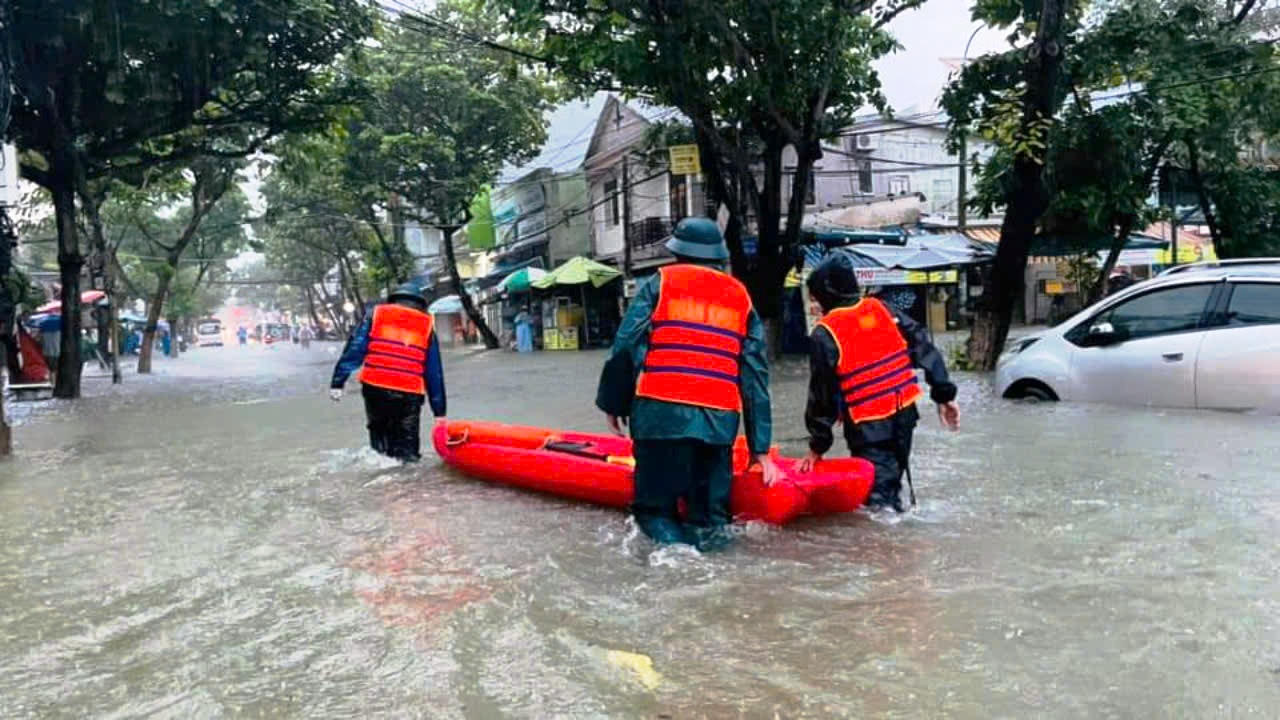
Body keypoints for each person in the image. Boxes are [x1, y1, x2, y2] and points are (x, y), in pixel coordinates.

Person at [596, 217, 778, 551]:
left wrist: (615, 402)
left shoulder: (660, 283)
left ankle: (676, 560)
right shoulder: (740, 296)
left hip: (661, 417)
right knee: (711, 520)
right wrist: (760, 449)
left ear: (677, 251)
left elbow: (625, 347)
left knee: (655, 512)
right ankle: (719, 571)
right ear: (718, 255)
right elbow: (755, 376)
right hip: (718, 426)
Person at [800, 253, 960, 511]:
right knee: (891, 482)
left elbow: (821, 395)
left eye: (816, 298)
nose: (816, 305)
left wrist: (817, 446)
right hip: (905, 417)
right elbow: (923, 345)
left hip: (869, 428)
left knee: (879, 501)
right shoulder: (882, 309)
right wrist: (944, 395)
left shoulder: (825, 332)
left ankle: (887, 535)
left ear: (827, 293)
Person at [330, 283, 447, 461]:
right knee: (407, 447)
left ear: (393, 299)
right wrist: (439, 412)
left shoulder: (376, 315)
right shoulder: (426, 324)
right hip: (409, 393)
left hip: (375, 388)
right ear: (420, 303)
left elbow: (355, 348)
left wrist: (338, 382)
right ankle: (409, 474)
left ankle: (381, 470)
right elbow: (434, 371)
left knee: (379, 441)